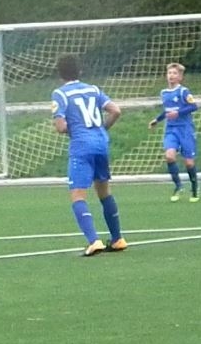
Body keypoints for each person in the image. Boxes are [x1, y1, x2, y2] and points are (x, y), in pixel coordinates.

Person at [51, 54, 125, 256]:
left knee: (77, 194)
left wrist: (74, 128)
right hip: (101, 144)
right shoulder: (93, 89)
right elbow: (116, 111)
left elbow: (61, 126)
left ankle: (94, 241)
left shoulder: (60, 93)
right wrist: (101, 129)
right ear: (80, 71)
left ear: (60, 74)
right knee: (104, 191)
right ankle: (117, 239)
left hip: (82, 146)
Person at [148, 62, 200, 202]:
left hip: (185, 130)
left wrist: (178, 113)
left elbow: (194, 106)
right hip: (171, 130)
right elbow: (167, 111)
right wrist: (157, 120)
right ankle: (178, 186)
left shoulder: (183, 91)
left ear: (180, 77)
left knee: (189, 163)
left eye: (175, 73)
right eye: (169, 73)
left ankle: (195, 188)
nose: (171, 76)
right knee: (169, 156)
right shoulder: (164, 93)